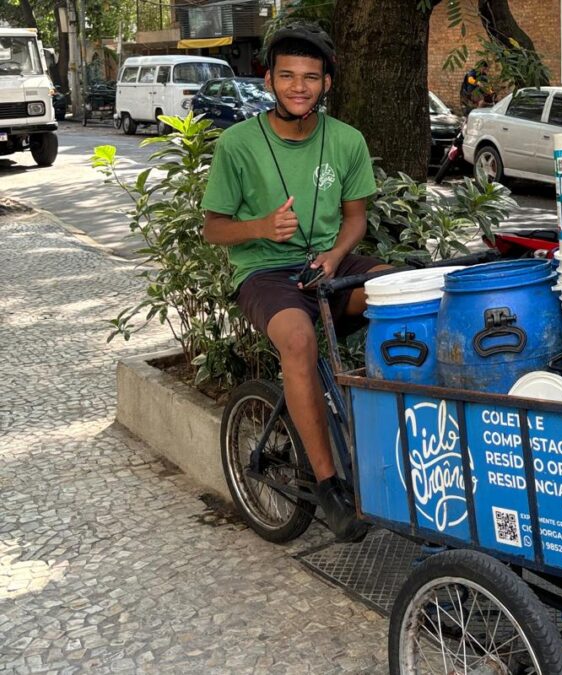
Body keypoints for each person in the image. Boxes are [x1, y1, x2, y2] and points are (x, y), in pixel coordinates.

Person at [201, 22, 389, 540]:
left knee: (404, 297)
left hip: (326, 264)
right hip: (265, 273)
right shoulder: (238, 144)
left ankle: (386, 435)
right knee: (300, 340)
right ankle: (329, 489)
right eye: (287, 76)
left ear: (327, 82)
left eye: (311, 77)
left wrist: (334, 255)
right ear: (268, 81)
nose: (299, 86)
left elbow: (356, 217)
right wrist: (261, 227)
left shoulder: (346, 139)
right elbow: (212, 228)